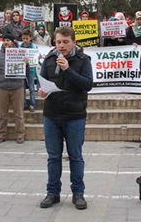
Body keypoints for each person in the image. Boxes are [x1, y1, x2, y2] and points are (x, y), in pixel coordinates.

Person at [38, 26, 93, 210]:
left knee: (75, 157)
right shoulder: (49, 59)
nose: (61, 46)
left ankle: (78, 193)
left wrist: (68, 69)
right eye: (58, 41)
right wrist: (42, 91)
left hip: (74, 115)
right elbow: (43, 81)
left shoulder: (83, 60)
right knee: (53, 157)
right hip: (52, 115)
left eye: (65, 42)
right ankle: (52, 193)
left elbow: (87, 85)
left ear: (74, 42)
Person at [0, 34, 27, 144]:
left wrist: (26, 63)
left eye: (8, 40)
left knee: (19, 114)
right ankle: (1, 134)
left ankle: (20, 135)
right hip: (2, 87)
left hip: (17, 87)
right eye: (4, 40)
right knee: (2, 114)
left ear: (12, 42)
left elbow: (26, 71)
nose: (6, 42)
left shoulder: (20, 53)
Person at [20, 29, 38, 112]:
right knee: (22, 88)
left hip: (30, 69)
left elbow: (36, 56)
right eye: (23, 38)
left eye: (27, 38)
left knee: (31, 87)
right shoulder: (20, 47)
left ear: (30, 38)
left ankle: (32, 104)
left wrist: (38, 57)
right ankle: (23, 104)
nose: (25, 40)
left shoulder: (33, 47)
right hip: (21, 69)